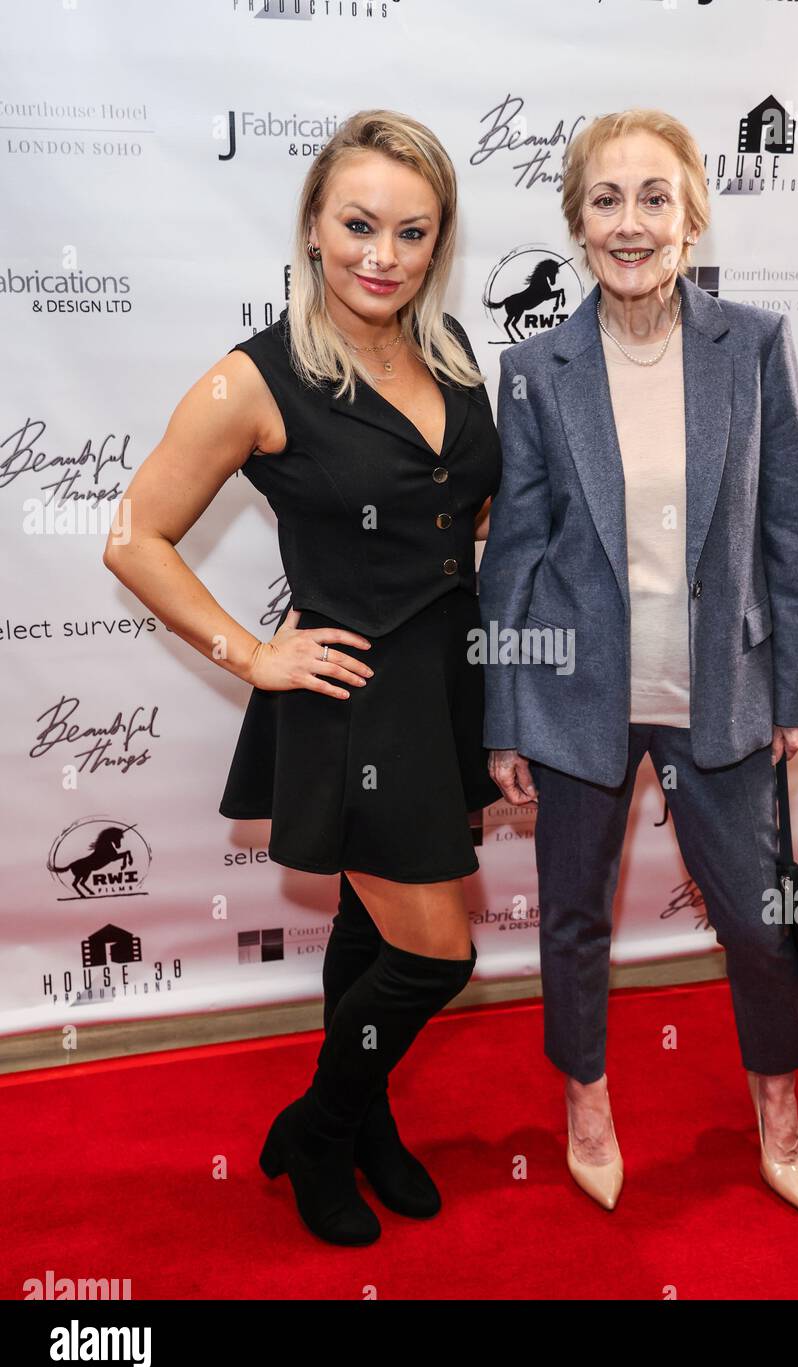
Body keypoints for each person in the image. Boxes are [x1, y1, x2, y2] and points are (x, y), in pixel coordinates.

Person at [103, 110, 502, 1246]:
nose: (383, 254)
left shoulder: (455, 352)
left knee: (373, 935)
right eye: (359, 225)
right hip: (353, 698)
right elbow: (134, 537)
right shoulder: (256, 379)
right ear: (315, 229)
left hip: (447, 684)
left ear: (439, 242)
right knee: (439, 952)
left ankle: (362, 1120)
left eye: (412, 232)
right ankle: (317, 1128)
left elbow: (462, 505)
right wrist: (255, 652)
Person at [479, 109, 798, 1213]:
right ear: (577, 223)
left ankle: (776, 1099)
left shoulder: (755, 344)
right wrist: (502, 714)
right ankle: (586, 1097)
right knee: (574, 917)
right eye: (605, 199)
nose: (629, 223)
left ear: (691, 217)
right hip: (576, 700)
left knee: (757, 921)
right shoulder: (537, 366)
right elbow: (516, 553)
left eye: (653, 198)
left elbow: (790, 530)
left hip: (719, 688)